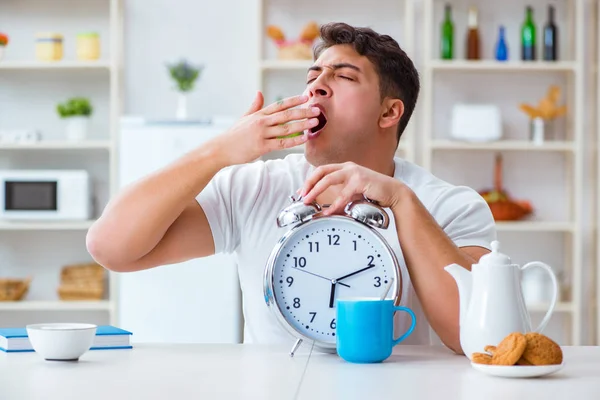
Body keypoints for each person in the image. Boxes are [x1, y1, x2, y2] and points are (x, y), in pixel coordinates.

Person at [86, 22, 496, 354]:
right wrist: (218, 151)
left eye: (344, 76)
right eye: (313, 76)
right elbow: (111, 247)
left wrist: (401, 201)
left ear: (389, 112)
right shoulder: (253, 187)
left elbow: (474, 337)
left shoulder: (451, 205)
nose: (316, 86)